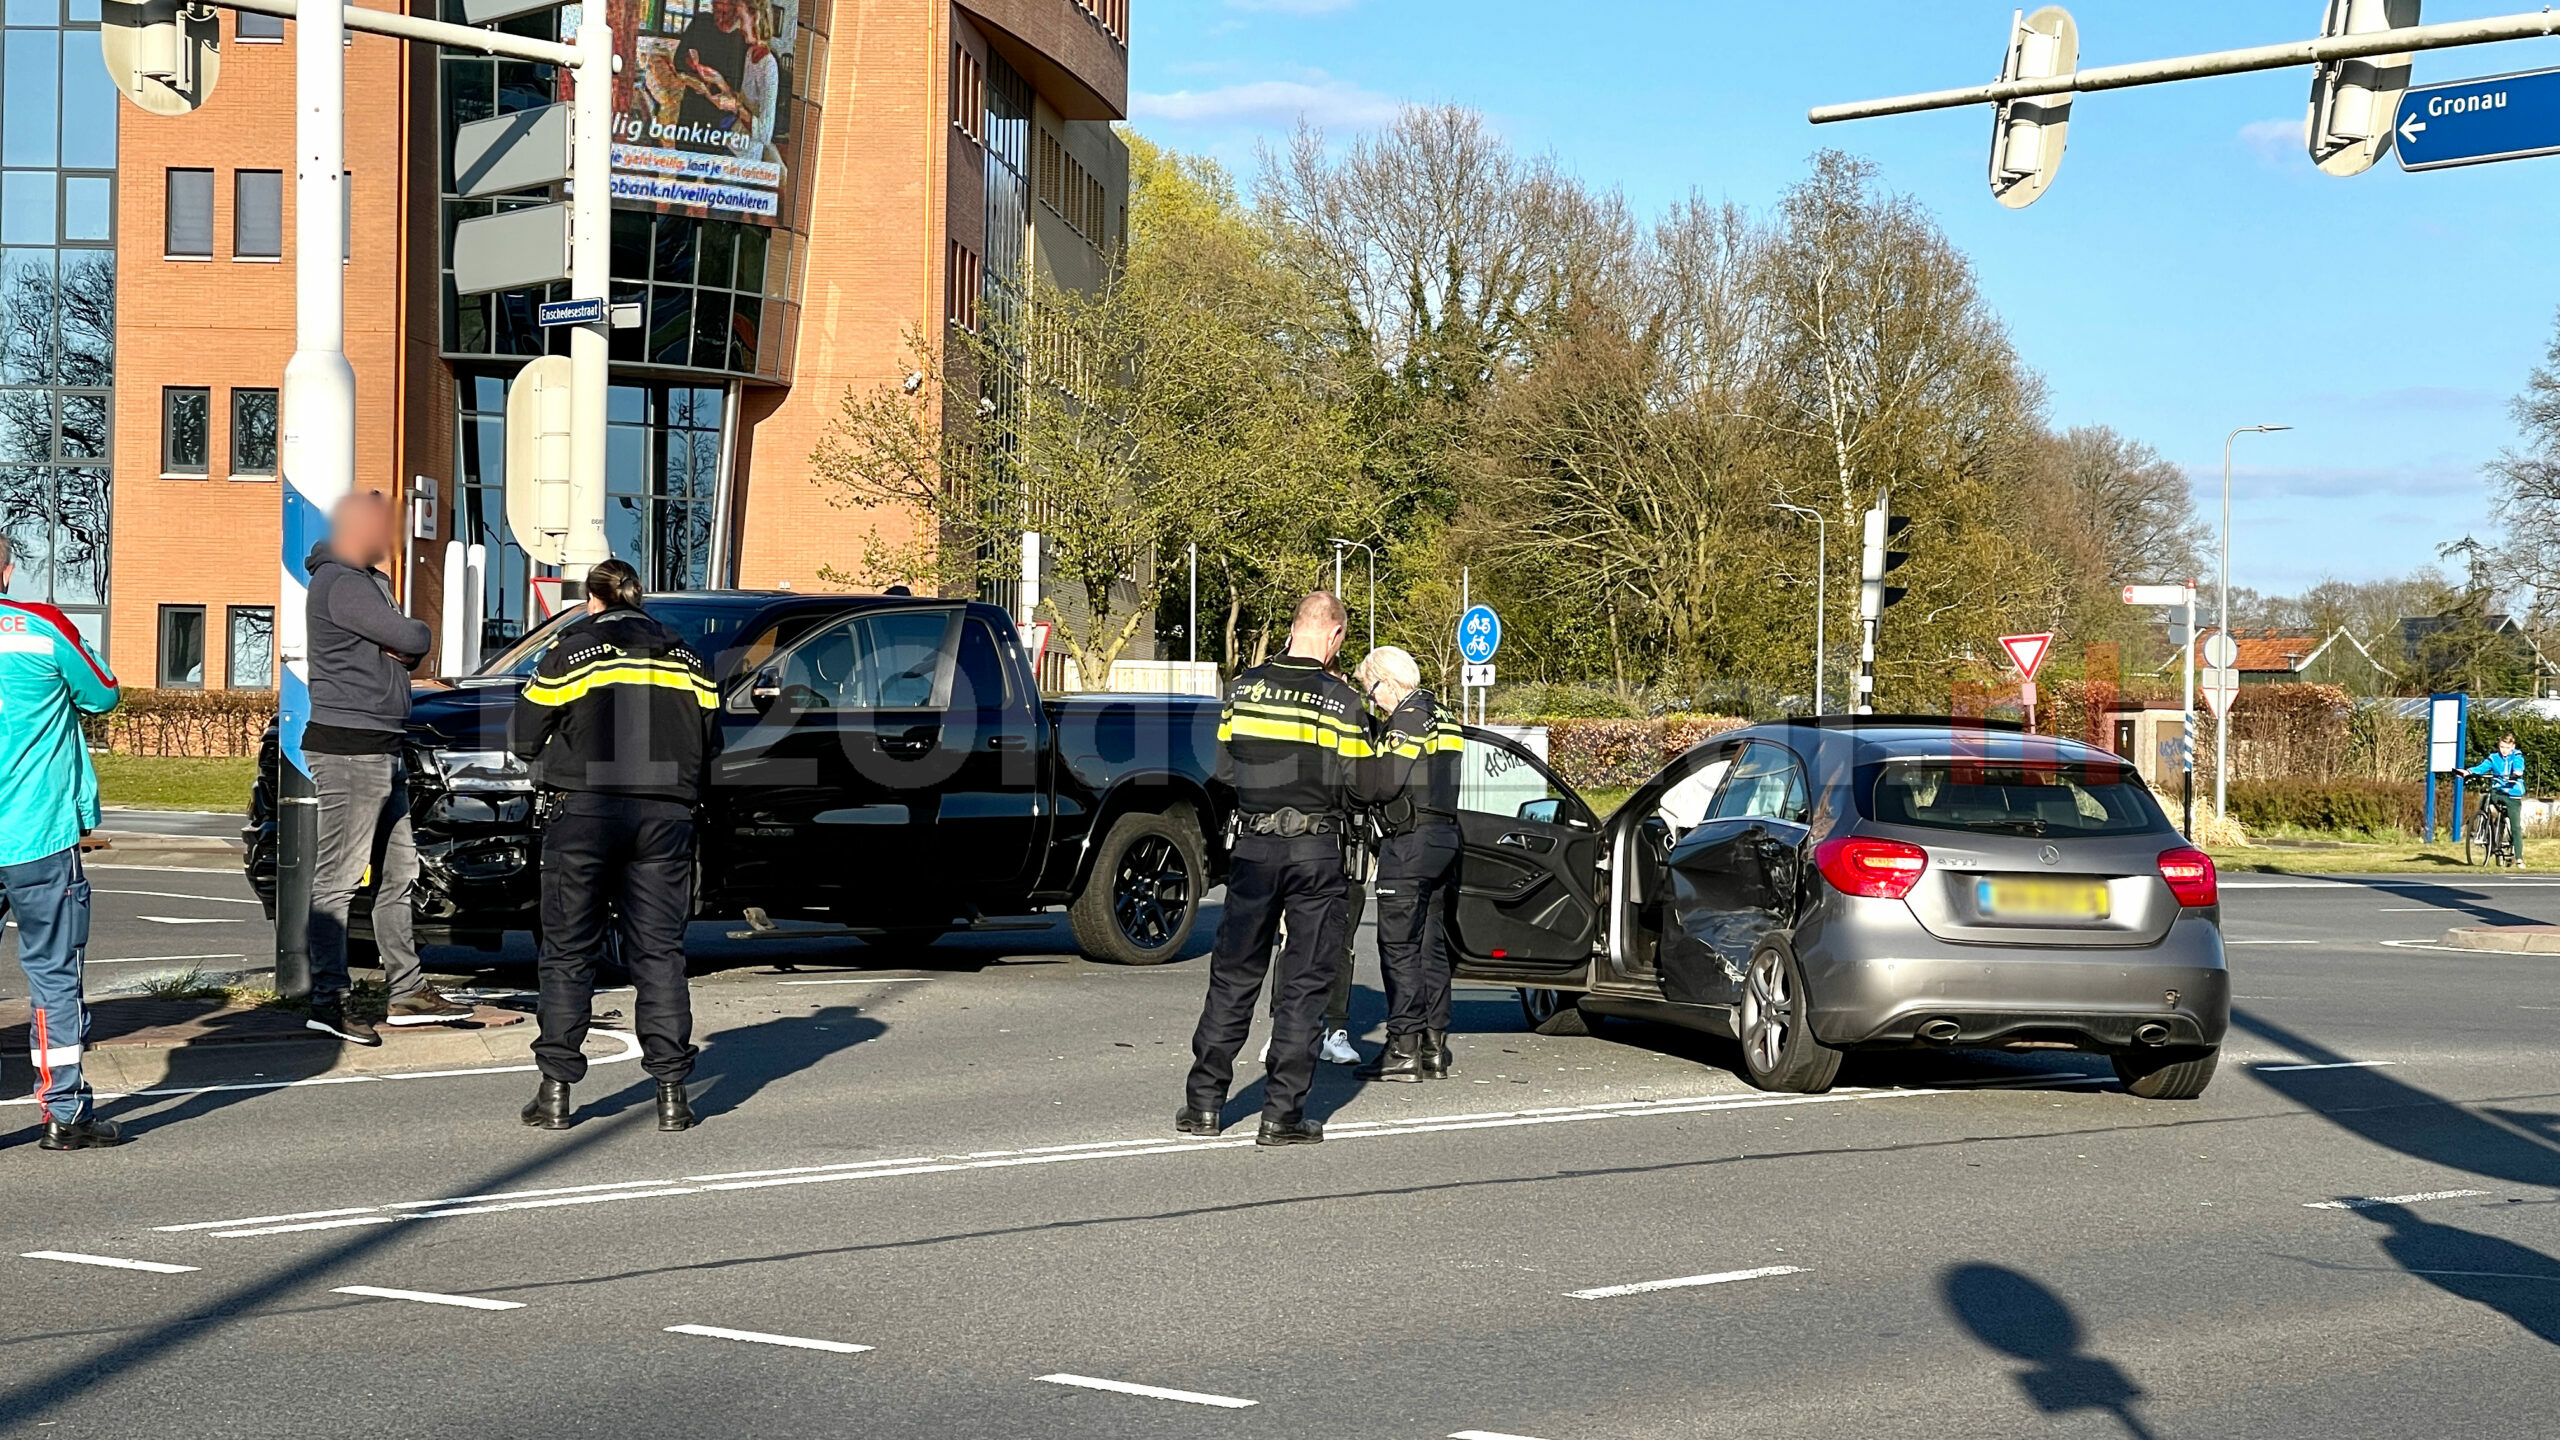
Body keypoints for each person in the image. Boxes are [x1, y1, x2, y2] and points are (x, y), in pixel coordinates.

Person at [509, 559, 719, 1132]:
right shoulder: (690, 659)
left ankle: (555, 1091)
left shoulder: (574, 651)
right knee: (659, 954)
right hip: (666, 817)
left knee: (569, 952)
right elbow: (711, 746)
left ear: (593, 601)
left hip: (586, 812)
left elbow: (523, 736)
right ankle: (673, 1093)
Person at [1179, 592, 1370, 1146]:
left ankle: (1204, 1105)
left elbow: (1223, 769)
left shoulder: (1243, 690)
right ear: (1333, 637)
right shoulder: (1342, 701)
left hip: (1255, 849)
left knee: (1234, 975)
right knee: (1305, 983)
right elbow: (1359, 786)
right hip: (1315, 852)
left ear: (1293, 629)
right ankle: (1280, 1115)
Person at [304, 492, 472, 1045]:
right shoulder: (343, 582)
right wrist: (403, 638)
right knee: (339, 880)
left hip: (383, 744)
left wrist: (400, 643)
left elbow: (404, 646)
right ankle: (328, 999)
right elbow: (412, 637)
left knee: (399, 873)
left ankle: (407, 990)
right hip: (351, 748)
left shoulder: (364, 579)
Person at [0, 539, 124, 1149]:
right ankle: (65, 1113)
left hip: (33, 832)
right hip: (35, 833)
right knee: (52, 974)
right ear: (6, 569)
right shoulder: (40, 628)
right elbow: (103, 692)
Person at [1351, 646, 1466, 1082]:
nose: (1372, 700)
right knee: (1430, 946)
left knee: (1397, 946)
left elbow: (1384, 783)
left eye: (1371, 690)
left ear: (1389, 681)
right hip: (1443, 840)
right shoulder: (1444, 715)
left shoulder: (1408, 719)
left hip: (1410, 843)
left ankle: (1402, 1049)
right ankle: (1434, 1047)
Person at [2468, 733, 2528, 866]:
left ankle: (2519, 858)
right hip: (2498, 792)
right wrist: (2468, 772)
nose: (2504, 750)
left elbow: (2519, 767)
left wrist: (2516, 774)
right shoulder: (2494, 758)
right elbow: (2481, 767)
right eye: (2501, 747)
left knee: (2515, 826)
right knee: (2486, 799)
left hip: (2512, 794)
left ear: (2512, 747)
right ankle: (2487, 832)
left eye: (2507, 747)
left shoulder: (2516, 757)